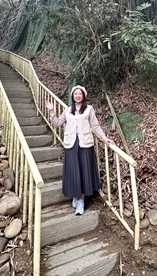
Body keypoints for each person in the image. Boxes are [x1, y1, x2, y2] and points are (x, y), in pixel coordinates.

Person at [45, 85, 115, 215]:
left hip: (85, 144)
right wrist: (52, 111)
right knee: (73, 171)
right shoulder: (68, 110)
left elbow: (95, 125)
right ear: (72, 96)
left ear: (83, 96)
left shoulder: (89, 109)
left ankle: (81, 200)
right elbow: (57, 123)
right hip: (71, 144)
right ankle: (75, 195)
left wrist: (105, 138)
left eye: (80, 93)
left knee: (83, 171)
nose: (78, 95)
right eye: (75, 93)